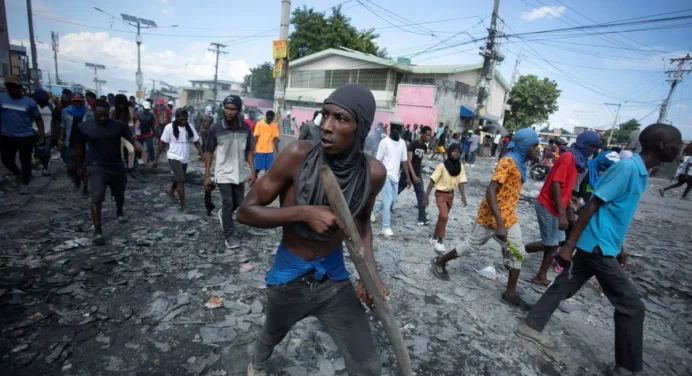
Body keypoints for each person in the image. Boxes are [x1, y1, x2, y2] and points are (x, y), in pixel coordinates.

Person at [237, 83, 386, 376]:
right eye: (325, 115)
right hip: (289, 277)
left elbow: (362, 222)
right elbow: (245, 212)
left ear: (362, 128)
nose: (326, 127)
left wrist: (370, 275)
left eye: (340, 119)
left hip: (333, 278)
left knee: (369, 365)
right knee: (272, 332)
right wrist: (303, 213)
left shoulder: (373, 173)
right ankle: (258, 366)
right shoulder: (297, 155)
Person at [516, 124, 682, 376]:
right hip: (596, 246)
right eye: (676, 144)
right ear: (661, 144)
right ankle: (626, 368)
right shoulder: (627, 169)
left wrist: (620, 247)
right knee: (631, 305)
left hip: (603, 243)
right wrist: (569, 245)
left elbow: (615, 213)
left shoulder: (640, 172)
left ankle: (530, 325)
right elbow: (593, 205)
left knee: (564, 285)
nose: (680, 149)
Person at [431, 128, 540, 310]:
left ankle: (510, 294)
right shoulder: (508, 162)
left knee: (517, 251)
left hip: (509, 216)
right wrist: (499, 224)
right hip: (492, 216)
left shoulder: (520, 163)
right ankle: (439, 261)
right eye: (534, 146)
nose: (537, 150)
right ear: (524, 146)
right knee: (472, 244)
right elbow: (490, 192)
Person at [524, 131, 601, 286]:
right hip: (548, 205)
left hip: (557, 207)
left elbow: (566, 188)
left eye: (595, 147)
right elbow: (555, 184)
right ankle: (515, 250)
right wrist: (562, 213)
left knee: (556, 243)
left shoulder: (579, 162)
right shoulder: (569, 158)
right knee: (549, 243)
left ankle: (541, 276)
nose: (593, 150)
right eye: (590, 146)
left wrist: (570, 207)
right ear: (582, 143)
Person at [75, 99, 146, 245]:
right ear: (93, 112)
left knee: (119, 194)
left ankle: (119, 212)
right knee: (97, 198)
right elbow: (80, 149)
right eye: (100, 115)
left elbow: (132, 138)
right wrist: (80, 167)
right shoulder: (84, 127)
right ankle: (98, 230)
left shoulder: (118, 125)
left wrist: (140, 148)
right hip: (96, 166)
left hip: (116, 165)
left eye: (106, 115)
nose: (103, 118)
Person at [204, 95, 256, 249]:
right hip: (223, 173)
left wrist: (253, 172)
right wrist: (207, 175)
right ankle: (229, 235)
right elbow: (209, 152)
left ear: (239, 110)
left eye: (232, 109)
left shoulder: (245, 128)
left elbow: (249, 151)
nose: (229, 112)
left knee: (239, 203)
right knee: (228, 203)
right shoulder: (216, 128)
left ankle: (223, 215)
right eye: (226, 108)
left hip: (239, 172)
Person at [0, 75, 45, 194]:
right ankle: (18, 174)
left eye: (15, 86)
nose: (12, 89)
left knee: (25, 161)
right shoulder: (1, 98)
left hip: (25, 136)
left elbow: (38, 119)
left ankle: (25, 184)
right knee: (6, 160)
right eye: (9, 86)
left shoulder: (29, 103)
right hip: (6, 135)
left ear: (20, 87)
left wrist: (41, 134)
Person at [154, 108, 203, 212]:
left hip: (184, 158)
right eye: (181, 120)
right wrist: (156, 159)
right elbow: (162, 144)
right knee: (181, 180)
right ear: (176, 118)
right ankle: (183, 205)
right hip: (173, 157)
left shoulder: (189, 127)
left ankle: (171, 190)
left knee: (179, 177)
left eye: (185, 119)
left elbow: (196, 141)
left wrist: (201, 153)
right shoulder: (169, 127)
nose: (183, 122)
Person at [424, 143, 467, 252]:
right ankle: (440, 241)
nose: (456, 154)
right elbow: (432, 180)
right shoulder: (442, 166)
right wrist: (426, 197)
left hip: (450, 195)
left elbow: (461, 182)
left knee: (442, 217)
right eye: (454, 151)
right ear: (449, 152)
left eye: (458, 152)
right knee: (445, 216)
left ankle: (434, 236)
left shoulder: (460, 167)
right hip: (440, 194)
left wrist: (463, 196)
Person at [371, 120, 410, 236]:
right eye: (394, 127)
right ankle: (386, 227)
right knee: (387, 202)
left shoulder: (402, 143)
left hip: (395, 176)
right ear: (390, 128)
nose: (396, 130)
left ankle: (373, 209)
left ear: (402, 129)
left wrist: (408, 177)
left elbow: (404, 161)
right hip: (386, 175)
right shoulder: (384, 142)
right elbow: (378, 160)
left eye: (398, 128)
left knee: (393, 200)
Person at [59, 92, 94, 194]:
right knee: (71, 166)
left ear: (83, 102)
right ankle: (76, 179)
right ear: (72, 102)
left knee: (84, 167)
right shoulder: (65, 112)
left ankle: (85, 187)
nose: (77, 103)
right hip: (70, 143)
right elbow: (63, 126)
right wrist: (60, 140)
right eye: (75, 101)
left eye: (79, 101)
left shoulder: (89, 114)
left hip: (85, 145)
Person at [408, 125, 433, 225]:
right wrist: (413, 176)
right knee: (395, 192)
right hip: (408, 174)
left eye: (430, 136)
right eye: (427, 135)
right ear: (422, 134)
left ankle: (422, 218)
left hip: (417, 174)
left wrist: (418, 175)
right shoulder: (413, 144)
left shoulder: (424, 147)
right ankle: (377, 208)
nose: (429, 137)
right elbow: (409, 162)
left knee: (421, 194)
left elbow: (418, 162)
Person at [33, 89, 54, 176]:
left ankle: (45, 167)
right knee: (38, 152)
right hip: (35, 132)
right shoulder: (34, 106)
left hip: (47, 133)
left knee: (46, 151)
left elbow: (54, 120)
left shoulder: (51, 107)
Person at [253, 110, 279, 175]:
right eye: (269, 118)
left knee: (268, 169)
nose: (270, 120)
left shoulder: (274, 126)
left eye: (272, 119)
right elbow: (256, 137)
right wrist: (253, 148)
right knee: (258, 168)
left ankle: (264, 183)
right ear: (266, 116)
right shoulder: (259, 124)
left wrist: (277, 150)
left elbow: (275, 139)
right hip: (260, 149)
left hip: (270, 150)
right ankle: (253, 180)